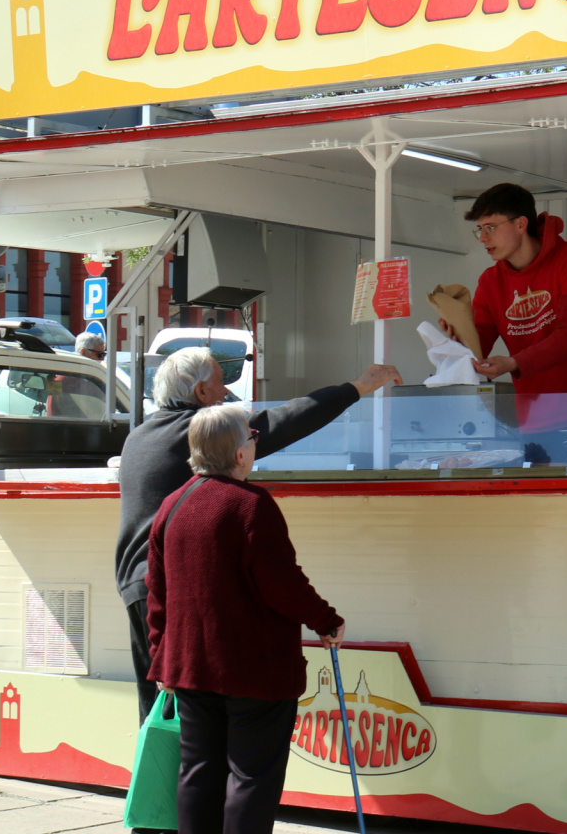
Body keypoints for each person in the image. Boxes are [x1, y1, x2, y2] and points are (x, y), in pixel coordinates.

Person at [115, 348, 400, 725]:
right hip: (170, 589)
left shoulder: (140, 436)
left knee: (160, 713)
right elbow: (282, 421)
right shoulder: (197, 435)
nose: (227, 394)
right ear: (201, 393)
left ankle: (161, 782)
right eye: (220, 383)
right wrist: (359, 386)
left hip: (142, 587)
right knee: (187, 717)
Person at [146, 404, 341, 834]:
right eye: (252, 437)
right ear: (239, 454)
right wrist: (326, 621)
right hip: (255, 671)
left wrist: (160, 656)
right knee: (251, 777)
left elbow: (156, 593)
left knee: (198, 772)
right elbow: (281, 583)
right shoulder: (252, 506)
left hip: (192, 668)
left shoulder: (171, 507)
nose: (255, 444)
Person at [445, 183, 567, 464]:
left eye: (490, 227)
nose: (482, 238)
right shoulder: (490, 281)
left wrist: (513, 363)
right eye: (479, 229)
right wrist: (457, 336)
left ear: (520, 224)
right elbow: (478, 346)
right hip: (535, 420)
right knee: (542, 507)